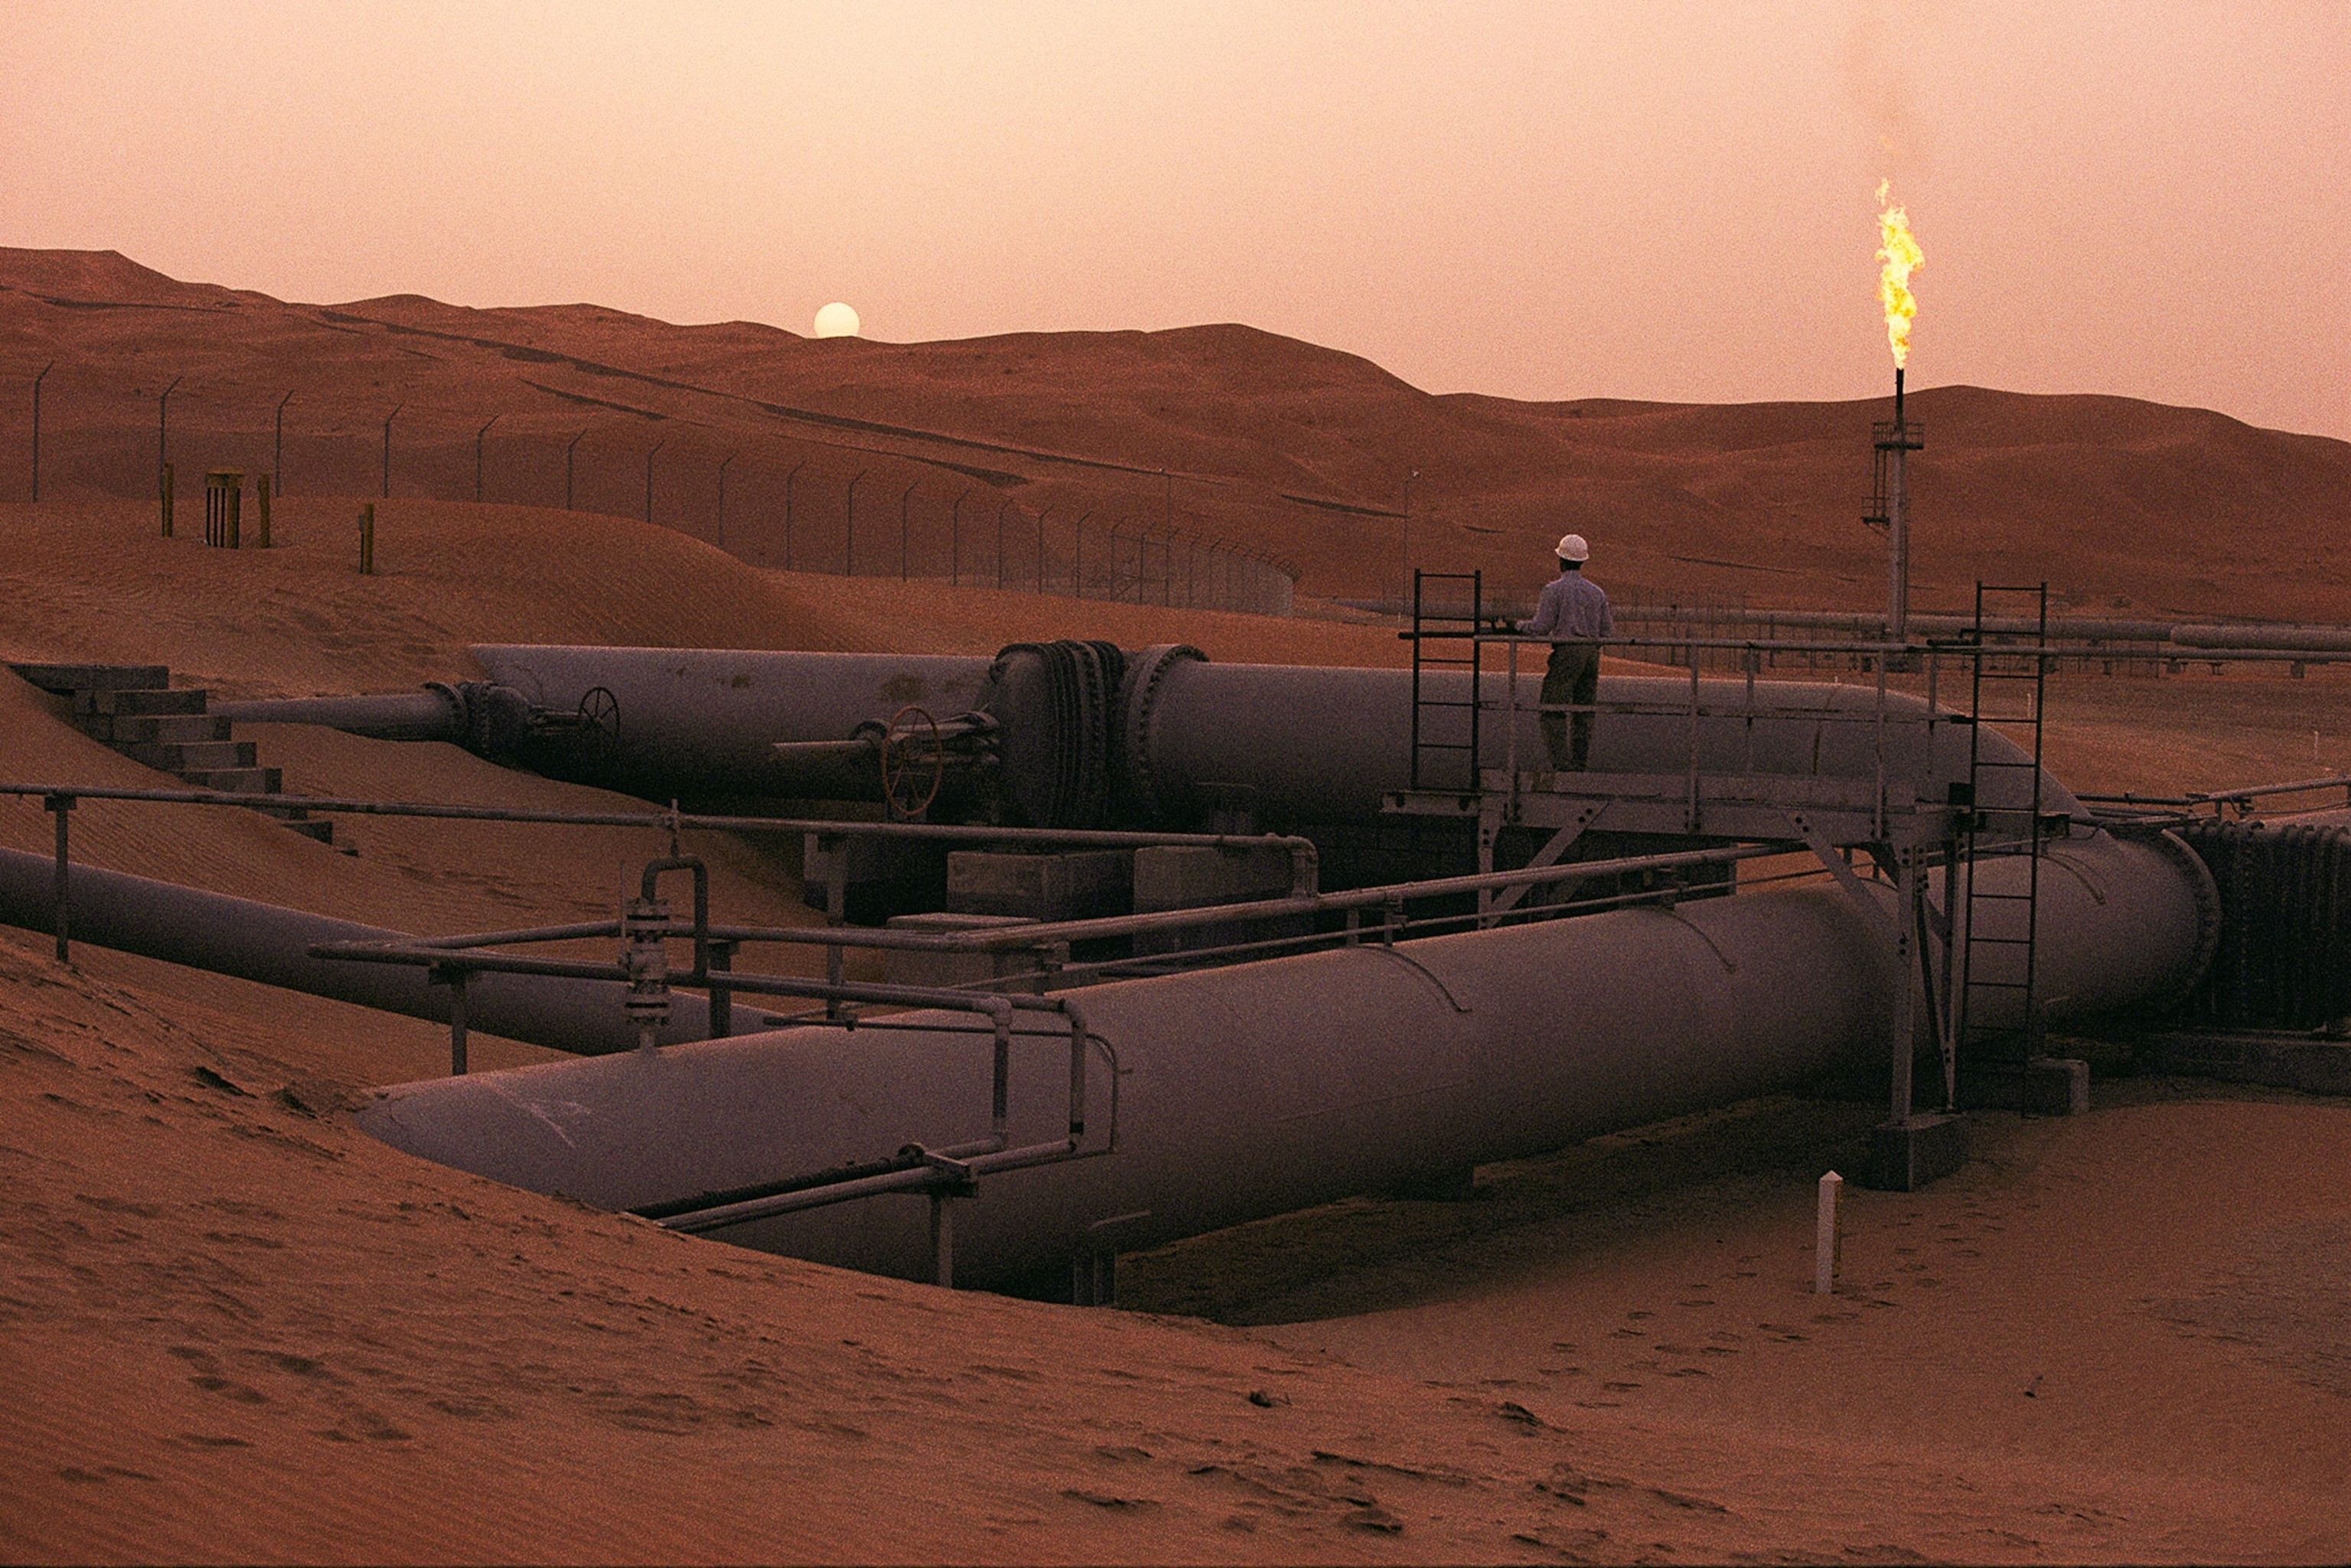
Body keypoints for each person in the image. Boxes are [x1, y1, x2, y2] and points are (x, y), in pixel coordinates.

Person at [1516, 533, 1612, 772]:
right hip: (1591, 654)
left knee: (1552, 707)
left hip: (1568, 652)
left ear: (1561, 560)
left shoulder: (1553, 590)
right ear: (1582, 561)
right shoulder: (1597, 593)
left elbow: (1541, 627)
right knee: (1584, 710)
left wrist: (1517, 627)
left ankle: (1562, 765)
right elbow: (1607, 632)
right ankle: (1580, 764)